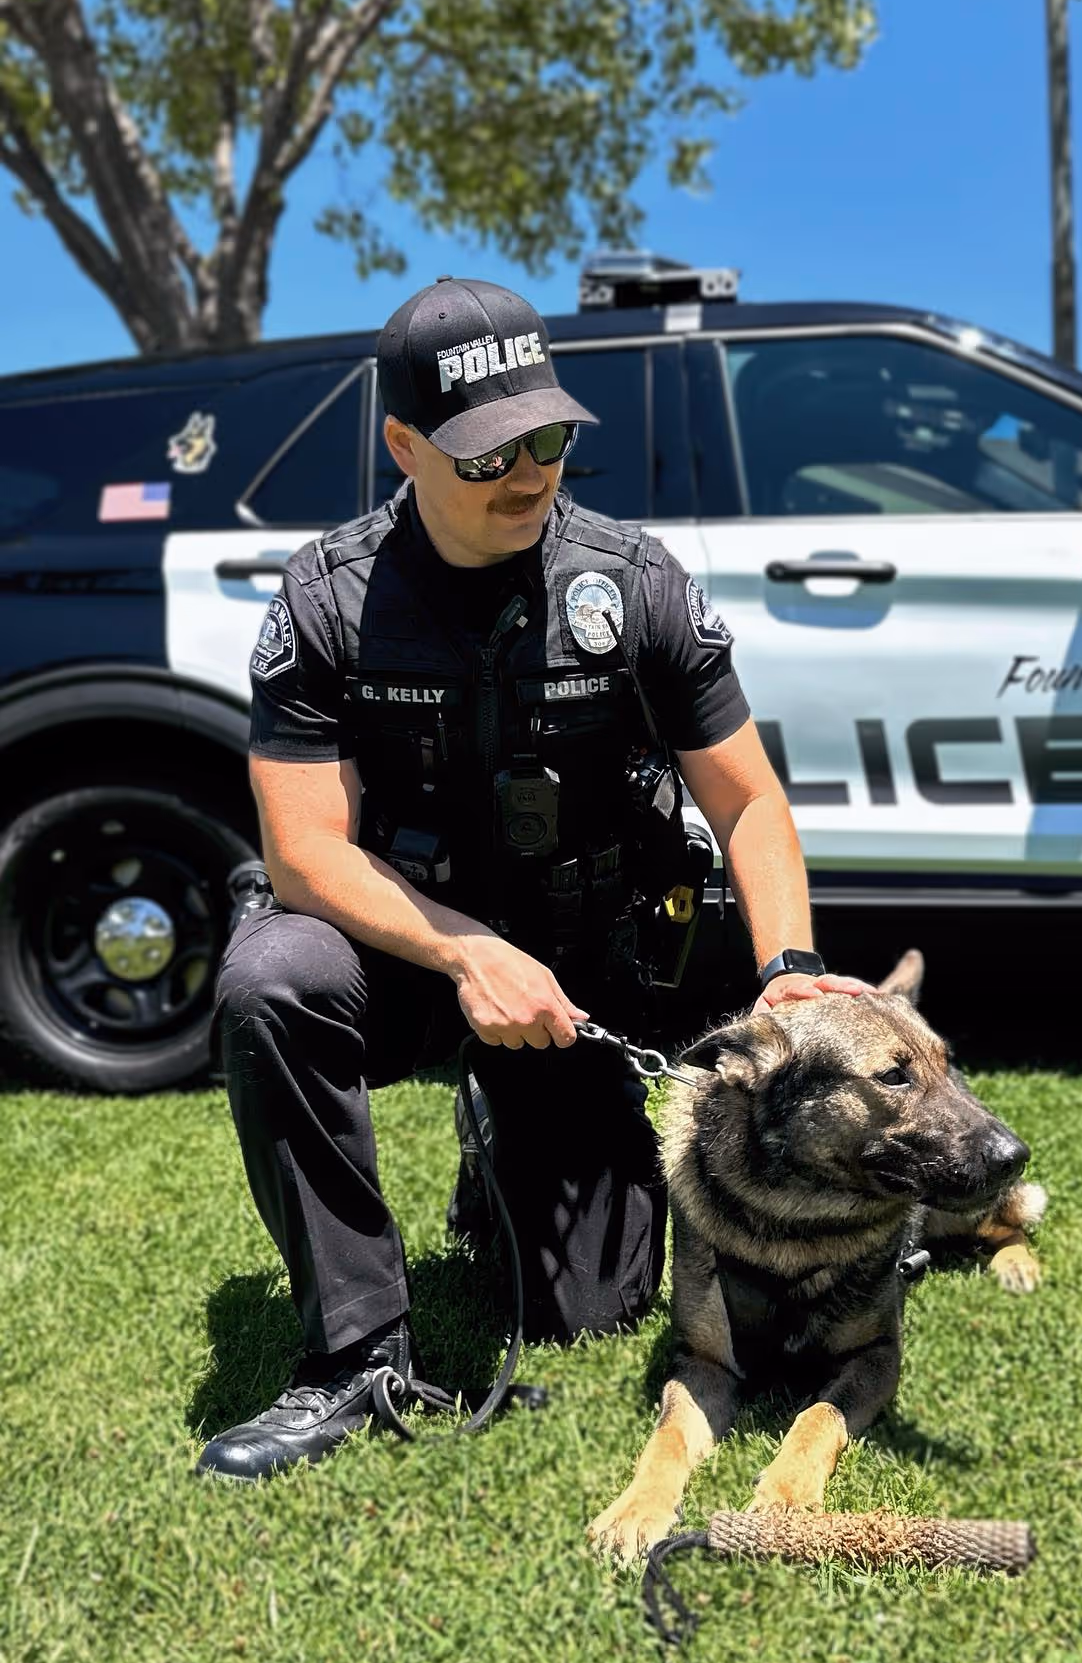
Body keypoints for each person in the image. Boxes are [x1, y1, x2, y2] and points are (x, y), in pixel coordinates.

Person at [197, 275, 866, 1482]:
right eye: (487, 451)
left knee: (592, 1308)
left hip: (583, 975)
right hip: (402, 947)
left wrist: (791, 971)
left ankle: (496, 1132)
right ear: (403, 445)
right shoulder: (328, 598)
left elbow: (750, 800)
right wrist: (465, 953)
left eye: (549, 436)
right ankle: (354, 1355)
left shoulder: (634, 581)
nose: (529, 470)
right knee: (273, 976)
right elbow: (303, 850)